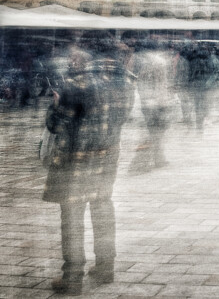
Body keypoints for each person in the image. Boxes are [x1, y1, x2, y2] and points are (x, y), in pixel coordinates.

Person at [43, 32, 136, 295]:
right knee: (103, 208)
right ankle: (106, 266)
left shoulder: (77, 83)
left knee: (72, 216)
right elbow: (122, 118)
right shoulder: (126, 82)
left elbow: (56, 125)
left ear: (87, 51)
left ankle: (72, 277)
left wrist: (56, 104)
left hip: (75, 161)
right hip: (107, 158)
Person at [128, 38, 173, 174]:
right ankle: (147, 161)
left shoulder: (142, 60)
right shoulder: (158, 61)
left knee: (152, 131)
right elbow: (161, 83)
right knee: (156, 132)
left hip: (149, 101)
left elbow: (139, 80)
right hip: (158, 101)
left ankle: (154, 159)